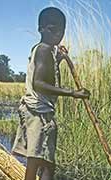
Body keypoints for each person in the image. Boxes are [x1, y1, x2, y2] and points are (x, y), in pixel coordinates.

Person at [12, 7, 90, 180]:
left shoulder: (47, 50)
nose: (58, 35)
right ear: (41, 28)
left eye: (62, 31)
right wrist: (72, 93)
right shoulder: (43, 49)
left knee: (43, 161)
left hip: (41, 111)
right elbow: (38, 83)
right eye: (53, 30)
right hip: (37, 112)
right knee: (41, 161)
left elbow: (48, 71)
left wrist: (60, 59)